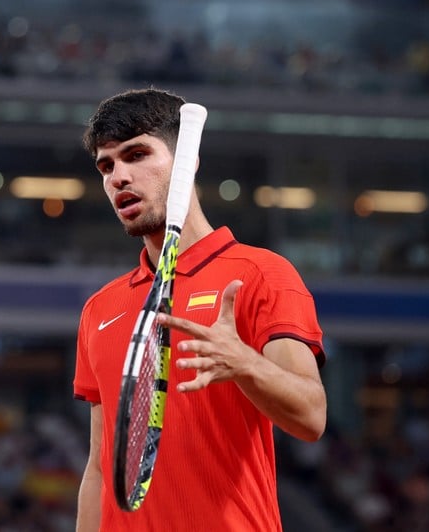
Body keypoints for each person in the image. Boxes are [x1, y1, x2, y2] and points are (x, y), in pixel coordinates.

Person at [73, 88, 327, 531]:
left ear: (187, 160)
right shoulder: (100, 308)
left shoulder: (261, 274)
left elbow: (311, 417)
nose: (118, 177)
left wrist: (244, 362)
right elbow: (99, 468)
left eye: (136, 154)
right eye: (106, 165)